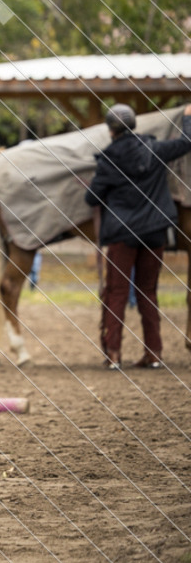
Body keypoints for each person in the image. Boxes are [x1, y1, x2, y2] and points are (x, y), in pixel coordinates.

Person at [84, 103, 191, 370]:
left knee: (116, 292)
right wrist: (188, 118)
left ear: (111, 130)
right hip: (155, 233)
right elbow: (186, 142)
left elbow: (91, 198)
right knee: (148, 293)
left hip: (123, 234)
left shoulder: (108, 159)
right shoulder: (155, 149)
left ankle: (114, 355)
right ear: (133, 125)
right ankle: (153, 354)